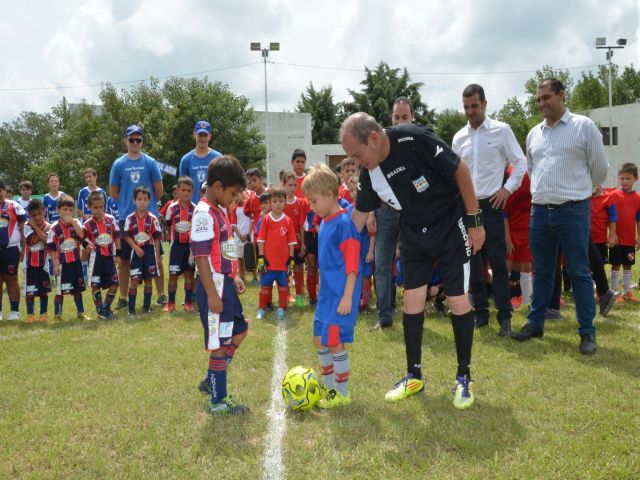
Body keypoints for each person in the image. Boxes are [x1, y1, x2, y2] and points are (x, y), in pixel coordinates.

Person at [342, 112, 485, 410]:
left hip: (450, 225)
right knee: (412, 302)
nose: (357, 163)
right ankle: (414, 375)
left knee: (458, 300)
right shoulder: (370, 173)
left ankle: (464, 377)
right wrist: (334, 237)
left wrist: (474, 221)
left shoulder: (414, 138)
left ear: (374, 138)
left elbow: (461, 170)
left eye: (357, 154)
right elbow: (356, 219)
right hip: (412, 233)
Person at [511, 78, 608, 355]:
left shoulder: (583, 126)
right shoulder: (533, 134)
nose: (542, 103)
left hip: (574, 210)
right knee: (542, 271)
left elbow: (600, 167)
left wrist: (582, 191)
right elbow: (531, 168)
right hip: (540, 212)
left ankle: (587, 332)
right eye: (538, 99)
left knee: (578, 271)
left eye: (546, 98)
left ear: (561, 96)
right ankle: (535, 323)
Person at [452, 84, 527, 336]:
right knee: (473, 264)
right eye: (466, 107)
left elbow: (520, 162)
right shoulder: (459, 137)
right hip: (467, 207)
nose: (470, 111)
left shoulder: (501, 130)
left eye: (474, 106)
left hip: (493, 206)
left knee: (498, 263)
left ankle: (504, 317)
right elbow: (454, 173)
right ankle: (481, 313)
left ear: (484, 104)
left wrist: (507, 189)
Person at [190, 155, 249, 415]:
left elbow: (222, 248)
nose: (235, 198)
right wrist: (213, 294)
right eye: (233, 192)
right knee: (220, 344)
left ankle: (211, 380)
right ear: (217, 187)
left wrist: (233, 274)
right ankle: (218, 401)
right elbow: (201, 256)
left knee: (239, 331)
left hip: (225, 282)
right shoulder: (203, 214)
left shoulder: (220, 210)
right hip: (213, 286)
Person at [302, 163, 362, 408]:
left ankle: (342, 392)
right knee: (319, 340)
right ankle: (328, 388)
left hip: (340, 295)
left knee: (335, 341)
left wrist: (348, 296)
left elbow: (352, 266)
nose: (311, 205)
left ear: (329, 194)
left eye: (314, 201)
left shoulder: (344, 224)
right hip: (327, 295)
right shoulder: (324, 220)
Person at [368, 97, 413, 329]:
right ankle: (384, 316)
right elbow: (368, 183)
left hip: (411, 214)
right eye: (397, 117)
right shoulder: (379, 145)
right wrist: (369, 214)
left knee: (414, 264)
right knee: (382, 266)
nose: (400, 121)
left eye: (405, 116)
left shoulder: (417, 145)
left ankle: (414, 313)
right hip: (384, 213)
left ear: (412, 118)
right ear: (391, 118)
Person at [109, 124, 163, 310]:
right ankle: (124, 297)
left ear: (142, 141)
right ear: (126, 141)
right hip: (126, 218)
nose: (135, 143)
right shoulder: (118, 164)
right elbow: (113, 192)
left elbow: (159, 190)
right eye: (131, 139)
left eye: (138, 140)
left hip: (149, 218)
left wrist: (145, 207)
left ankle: (161, 296)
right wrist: (129, 206)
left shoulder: (150, 162)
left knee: (155, 258)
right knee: (124, 261)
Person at [46, 195, 89, 322]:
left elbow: (82, 235)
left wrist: (73, 223)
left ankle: (81, 313)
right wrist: (54, 265)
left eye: (70, 210)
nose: (67, 212)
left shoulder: (76, 223)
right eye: (64, 209)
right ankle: (57, 315)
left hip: (75, 262)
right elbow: (52, 248)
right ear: (58, 210)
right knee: (60, 290)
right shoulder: (54, 227)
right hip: (62, 263)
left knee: (78, 288)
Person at [256, 189, 297, 321]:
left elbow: (291, 241)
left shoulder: (288, 220)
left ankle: (281, 308)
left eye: (281, 201)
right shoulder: (266, 219)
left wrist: (291, 258)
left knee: (283, 287)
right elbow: (261, 240)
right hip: (268, 262)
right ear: (270, 203)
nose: (278, 204)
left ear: (285, 203)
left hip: (283, 263)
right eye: (274, 201)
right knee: (264, 287)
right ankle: (262, 308)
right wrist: (261, 258)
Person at [123, 186, 163, 315]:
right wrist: (136, 248)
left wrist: (157, 256)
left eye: (145, 199)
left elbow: (156, 238)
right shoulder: (130, 218)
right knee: (134, 280)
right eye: (139, 199)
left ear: (149, 201)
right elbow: (126, 236)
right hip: (136, 252)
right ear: (134, 200)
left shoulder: (152, 218)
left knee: (148, 280)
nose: (142, 202)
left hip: (149, 252)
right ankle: (131, 309)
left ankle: (146, 307)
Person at [83, 191, 120, 319]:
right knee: (96, 285)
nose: (98, 210)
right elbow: (82, 238)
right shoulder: (87, 224)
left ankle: (105, 307)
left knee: (115, 284)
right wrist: (86, 246)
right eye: (95, 207)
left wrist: (118, 253)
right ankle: (100, 312)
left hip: (109, 257)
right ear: (89, 207)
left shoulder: (111, 219)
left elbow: (117, 237)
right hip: (95, 259)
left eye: (101, 207)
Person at [608, 163, 640, 302]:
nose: (624, 181)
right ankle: (614, 292)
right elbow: (611, 217)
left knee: (628, 265)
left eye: (628, 178)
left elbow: (638, 219)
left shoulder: (638, 198)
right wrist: (612, 234)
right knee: (615, 264)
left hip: (629, 239)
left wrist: (639, 236)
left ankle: (626, 292)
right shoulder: (614, 195)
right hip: (616, 239)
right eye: (622, 178)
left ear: (635, 179)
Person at [164, 177, 196, 313]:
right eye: (183, 190)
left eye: (189, 190)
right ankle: (171, 303)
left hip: (189, 248)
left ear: (192, 191)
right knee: (173, 275)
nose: (186, 193)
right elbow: (167, 224)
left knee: (189, 274)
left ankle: (188, 302)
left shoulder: (195, 209)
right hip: (176, 246)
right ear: (178, 190)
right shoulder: (171, 208)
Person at [504, 170, 533, 310]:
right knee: (508, 264)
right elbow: (504, 212)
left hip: (527, 229)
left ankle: (527, 302)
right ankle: (506, 301)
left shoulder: (531, 183)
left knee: (526, 266)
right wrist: (507, 238)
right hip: (511, 229)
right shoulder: (510, 183)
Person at [0, 177, 26, 321]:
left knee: (11, 279)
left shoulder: (14, 206)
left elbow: (23, 229)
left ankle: (15, 311)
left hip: (11, 249)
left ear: (4, 191)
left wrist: (23, 248)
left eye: (1, 190)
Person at [348, 173, 375, 312]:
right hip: (353, 250)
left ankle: (365, 303)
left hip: (364, 248)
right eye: (351, 190)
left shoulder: (367, 210)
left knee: (365, 275)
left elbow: (372, 233)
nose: (353, 193)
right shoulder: (348, 209)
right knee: (354, 274)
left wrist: (370, 251)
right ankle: (356, 301)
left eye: (356, 190)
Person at [281, 170, 308, 307]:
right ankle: (286, 295)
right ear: (283, 185)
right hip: (283, 245)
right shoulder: (280, 203)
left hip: (297, 244)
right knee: (285, 270)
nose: (292, 188)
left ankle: (299, 296)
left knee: (298, 269)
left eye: (294, 185)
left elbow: (302, 225)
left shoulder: (300, 203)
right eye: (289, 185)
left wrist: (303, 243)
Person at [179, 120, 222, 203]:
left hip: (213, 206)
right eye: (200, 135)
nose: (202, 138)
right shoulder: (186, 159)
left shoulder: (218, 158)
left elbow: (225, 184)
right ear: (194, 134)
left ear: (209, 136)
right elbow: (182, 187)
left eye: (205, 135)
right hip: (193, 208)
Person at [77, 167, 108, 282]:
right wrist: (87, 218)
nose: (88, 179)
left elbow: (105, 209)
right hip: (86, 224)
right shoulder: (83, 191)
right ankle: (84, 272)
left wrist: (99, 218)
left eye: (90, 176)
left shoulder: (102, 192)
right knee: (85, 248)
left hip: (99, 224)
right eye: (86, 177)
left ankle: (101, 271)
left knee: (100, 245)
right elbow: (79, 209)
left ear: (96, 177)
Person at [24, 199, 51, 323]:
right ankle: (30, 315)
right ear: (30, 215)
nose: (37, 217)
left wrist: (37, 230)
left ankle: (43, 314)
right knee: (30, 291)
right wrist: (39, 230)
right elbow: (31, 241)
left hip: (43, 265)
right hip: (29, 265)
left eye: (40, 214)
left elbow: (46, 240)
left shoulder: (49, 225)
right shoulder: (26, 226)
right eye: (34, 215)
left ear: (44, 212)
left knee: (43, 291)